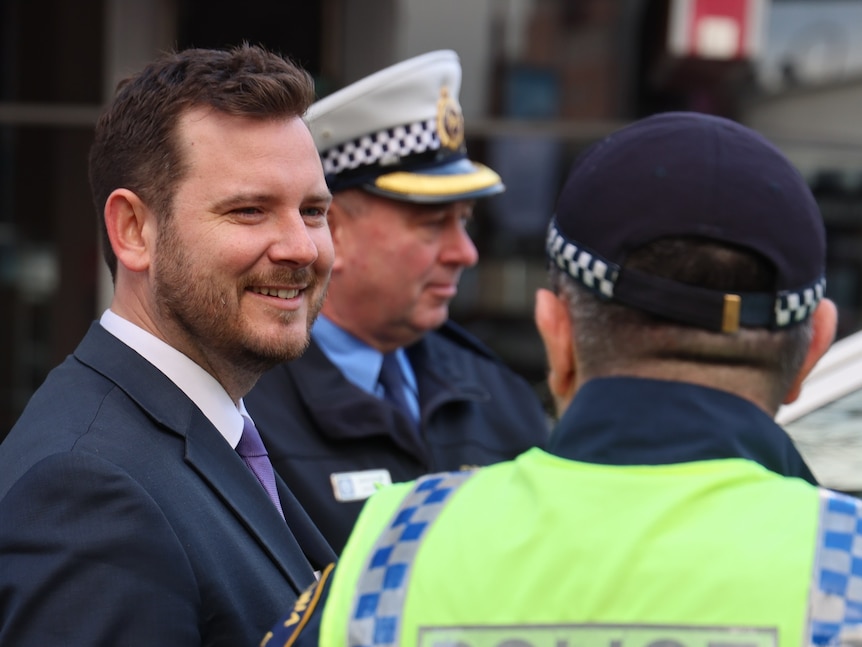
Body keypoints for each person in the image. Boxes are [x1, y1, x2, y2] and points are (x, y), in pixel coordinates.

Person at [261, 111, 862, 647]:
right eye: (430, 223)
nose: (462, 251)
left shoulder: (391, 553)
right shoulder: (847, 568)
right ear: (813, 346)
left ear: (557, 334)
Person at [0, 44, 337, 647]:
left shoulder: (203, 433)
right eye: (249, 210)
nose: (301, 248)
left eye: (313, 211)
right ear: (133, 231)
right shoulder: (86, 489)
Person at [245, 49, 549, 554]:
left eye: (465, 221)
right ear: (332, 228)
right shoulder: (245, 408)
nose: (466, 253)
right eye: (433, 225)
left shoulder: (497, 396)